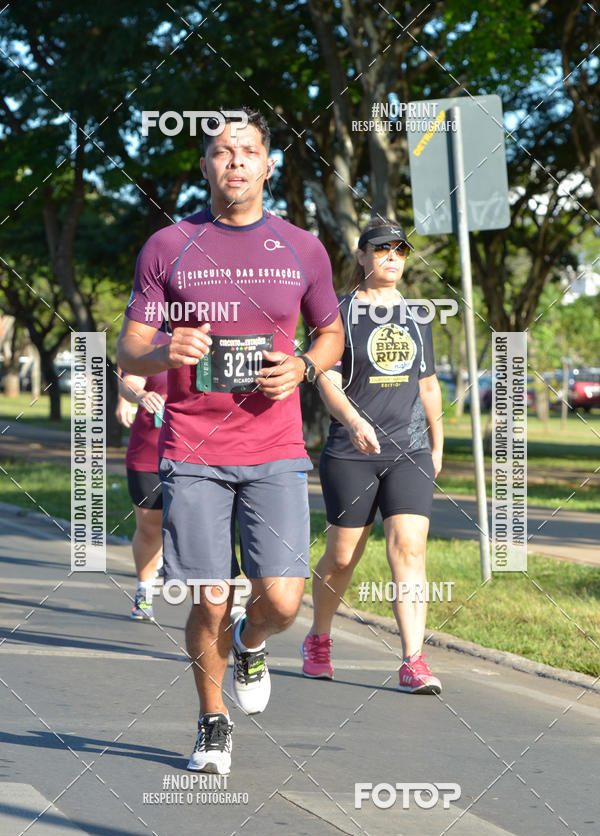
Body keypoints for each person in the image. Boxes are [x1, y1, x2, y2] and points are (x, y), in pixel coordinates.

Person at [117, 107, 344, 774]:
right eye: (222, 151)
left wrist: (304, 365)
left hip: (274, 447)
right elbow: (130, 349)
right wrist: (165, 350)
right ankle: (212, 721)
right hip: (191, 447)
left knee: (281, 598)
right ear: (206, 166)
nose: (235, 161)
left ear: (269, 164)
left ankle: (251, 642)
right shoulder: (167, 245)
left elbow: (330, 332)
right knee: (209, 593)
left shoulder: (302, 247)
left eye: (247, 150)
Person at [301, 216, 444, 693]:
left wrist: (438, 443)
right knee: (343, 557)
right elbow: (326, 379)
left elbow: (427, 384)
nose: (392, 257)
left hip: (410, 449)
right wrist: (354, 422)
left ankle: (413, 660)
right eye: (382, 249)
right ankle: (319, 637)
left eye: (400, 250)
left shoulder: (418, 315)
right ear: (361, 255)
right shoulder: (337, 313)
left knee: (410, 549)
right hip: (351, 451)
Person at [115, 351, 168, 621]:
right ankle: (144, 590)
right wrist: (136, 395)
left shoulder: (220, 333)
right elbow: (129, 379)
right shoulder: (152, 338)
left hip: (205, 452)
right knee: (149, 528)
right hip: (149, 449)